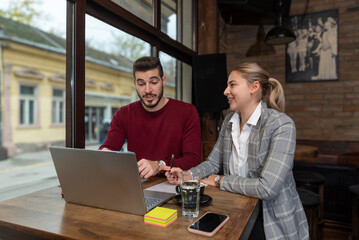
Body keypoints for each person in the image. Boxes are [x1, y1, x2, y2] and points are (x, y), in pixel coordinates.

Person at [165, 62, 309, 240]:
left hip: (269, 217)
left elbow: (267, 188)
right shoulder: (229, 122)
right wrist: (187, 175)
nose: (225, 91)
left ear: (254, 87)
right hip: (235, 207)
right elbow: (212, 163)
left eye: (232, 85)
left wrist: (220, 180)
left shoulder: (281, 125)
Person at [100, 56, 201, 179]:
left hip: (173, 184)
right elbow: (109, 148)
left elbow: (193, 159)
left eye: (153, 82)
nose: (148, 90)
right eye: (141, 83)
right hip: (137, 184)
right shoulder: (123, 114)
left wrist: (159, 165)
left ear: (163, 81)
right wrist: (105, 153)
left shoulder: (187, 112)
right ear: (135, 84)